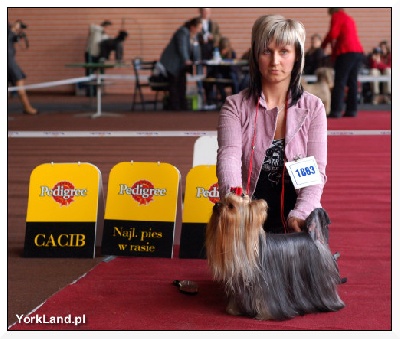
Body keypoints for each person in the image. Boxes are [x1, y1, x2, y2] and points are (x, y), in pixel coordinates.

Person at [216, 14, 328, 234]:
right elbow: (228, 158)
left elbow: (316, 170)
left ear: (297, 56)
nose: (275, 61)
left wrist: (303, 212)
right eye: (267, 51)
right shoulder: (234, 106)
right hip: (247, 220)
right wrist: (237, 206)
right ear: (256, 56)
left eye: (284, 51)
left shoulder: (313, 108)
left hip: (296, 220)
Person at [321, 8, 364, 118]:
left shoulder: (336, 16)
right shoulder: (349, 18)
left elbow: (333, 34)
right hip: (357, 52)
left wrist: (323, 46)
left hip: (346, 52)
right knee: (352, 82)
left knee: (340, 81)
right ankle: (352, 110)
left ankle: (336, 110)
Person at [160, 17, 202, 111]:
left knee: (182, 84)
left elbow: (195, 50)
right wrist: (186, 59)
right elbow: (181, 47)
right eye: (199, 28)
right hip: (172, 63)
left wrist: (197, 60)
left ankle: (182, 105)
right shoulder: (182, 32)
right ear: (192, 27)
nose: (200, 30)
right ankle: (175, 106)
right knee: (174, 84)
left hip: (181, 65)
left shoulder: (193, 36)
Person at [7, 20, 38, 115]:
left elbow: (16, 38)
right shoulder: (9, 33)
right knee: (20, 80)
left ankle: (27, 107)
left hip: (9, 61)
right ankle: (27, 108)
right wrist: (14, 29)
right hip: (9, 62)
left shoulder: (10, 33)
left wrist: (18, 33)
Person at [84, 20, 112, 96]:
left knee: (99, 73)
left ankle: (98, 92)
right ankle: (90, 92)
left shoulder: (105, 36)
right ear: (104, 26)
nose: (107, 29)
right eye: (107, 27)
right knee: (90, 73)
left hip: (98, 55)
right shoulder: (95, 30)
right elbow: (91, 26)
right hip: (90, 54)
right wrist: (101, 28)